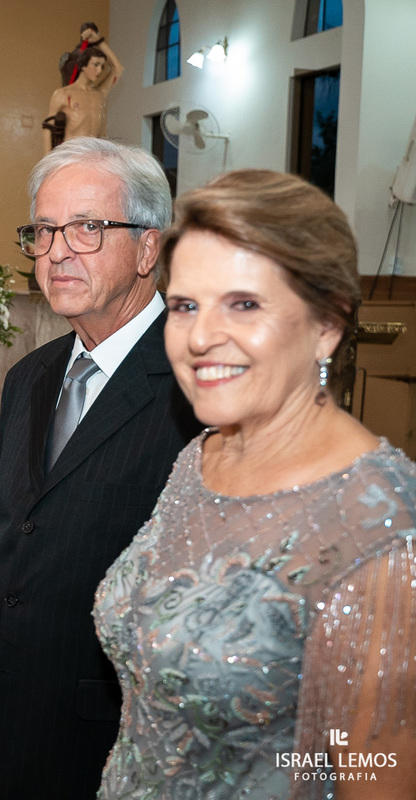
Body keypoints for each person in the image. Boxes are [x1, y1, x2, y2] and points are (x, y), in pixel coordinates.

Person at [94, 170, 416, 799]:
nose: (200, 337)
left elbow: (373, 779)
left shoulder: (382, 527)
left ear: (327, 322)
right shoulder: (201, 458)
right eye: (185, 305)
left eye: (244, 304)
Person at [0, 138, 201, 799]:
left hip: (107, 741)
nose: (58, 250)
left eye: (88, 228)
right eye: (44, 230)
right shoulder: (30, 375)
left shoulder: (195, 387)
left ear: (149, 248)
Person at [43, 39, 123, 154]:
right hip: (72, 152)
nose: (99, 70)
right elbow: (48, 127)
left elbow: (118, 69)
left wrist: (98, 40)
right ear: (83, 66)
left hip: (94, 153)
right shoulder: (63, 94)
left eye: (102, 66)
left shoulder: (99, 94)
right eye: (95, 65)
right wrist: (47, 159)